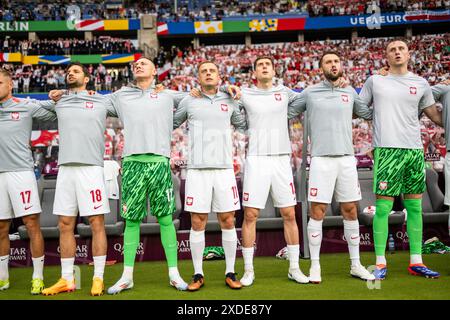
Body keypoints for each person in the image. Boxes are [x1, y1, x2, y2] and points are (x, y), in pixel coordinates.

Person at [288, 51, 375, 283]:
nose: (333, 65)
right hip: (321, 160)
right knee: (317, 212)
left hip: (346, 159)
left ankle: (356, 264)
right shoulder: (310, 93)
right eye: (328, 61)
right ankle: (315, 266)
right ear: (321, 67)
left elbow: (368, 113)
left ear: (341, 65)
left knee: (350, 210)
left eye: (336, 61)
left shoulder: (350, 91)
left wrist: (382, 79)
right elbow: (287, 109)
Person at [359, 39, 442, 280]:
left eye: (401, 49)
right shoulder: (375, 81)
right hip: (387, 150)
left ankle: (416, 261)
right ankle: (380, 262)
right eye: (392, 50)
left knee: (414, 207)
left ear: (408, 54)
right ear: (386, 56)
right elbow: (358, 108)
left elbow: (434, 115)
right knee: (383, 208)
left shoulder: (421, 83)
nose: (397, 52)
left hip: (414, 151)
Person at [105, 57, 189, 294]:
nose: (138, 66)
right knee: (132, 220)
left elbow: (198, 94)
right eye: (136, 64)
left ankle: (174, 273)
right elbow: (94, 102)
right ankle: (127, 276)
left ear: (155, 71)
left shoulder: (167, 95)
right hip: (131, 163)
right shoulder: (121, 95)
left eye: (144, 63)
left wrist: (227, 89)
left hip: (159, 162)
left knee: (165, 218)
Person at [226, 56, 312, 286]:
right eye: (260, 65)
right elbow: (225, 97)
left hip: (281, 159)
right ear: (254, 71)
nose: (264, 67)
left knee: (289, 214)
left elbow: (310, 97)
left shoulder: (284, 92)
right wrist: (228, 87)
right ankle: (248, 270)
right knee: (251, 215)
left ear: (274, 70)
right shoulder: (244, 93)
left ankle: (294, 268)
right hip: (256, 159)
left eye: (268, 65)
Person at [173, 61, 247, 291]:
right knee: (198, 222)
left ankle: (230, 272)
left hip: (224, 170)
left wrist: (236, 95)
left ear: (219, 75)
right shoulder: (189, 100)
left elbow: (244, 125)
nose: (208, 73)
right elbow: (171, 122)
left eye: (212, 70)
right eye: (203, 71)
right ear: (197, 77)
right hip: (196, 171)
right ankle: (197, 274)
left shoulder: (229, 99)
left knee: (228, 220)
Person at [42, 62, 114, 296]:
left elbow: (128, 102)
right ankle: (66, 279)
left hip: (91, 168)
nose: (70, 73)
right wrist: (56, 94)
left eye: (76, 71)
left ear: (87, 78)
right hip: (65, 170)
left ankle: (98, 278)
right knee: (64, 224)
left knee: (96, 223)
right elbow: (32, 108)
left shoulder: (101, 100)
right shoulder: (59, 101)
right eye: (68, 71)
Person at [0, 69, 56, 294]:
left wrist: (55, 98)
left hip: (22, 173)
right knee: (1, 227)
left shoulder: (25, 105)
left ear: (10, 85)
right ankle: (3, 277)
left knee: (32, 224)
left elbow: (54, 111)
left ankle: (37, 276)